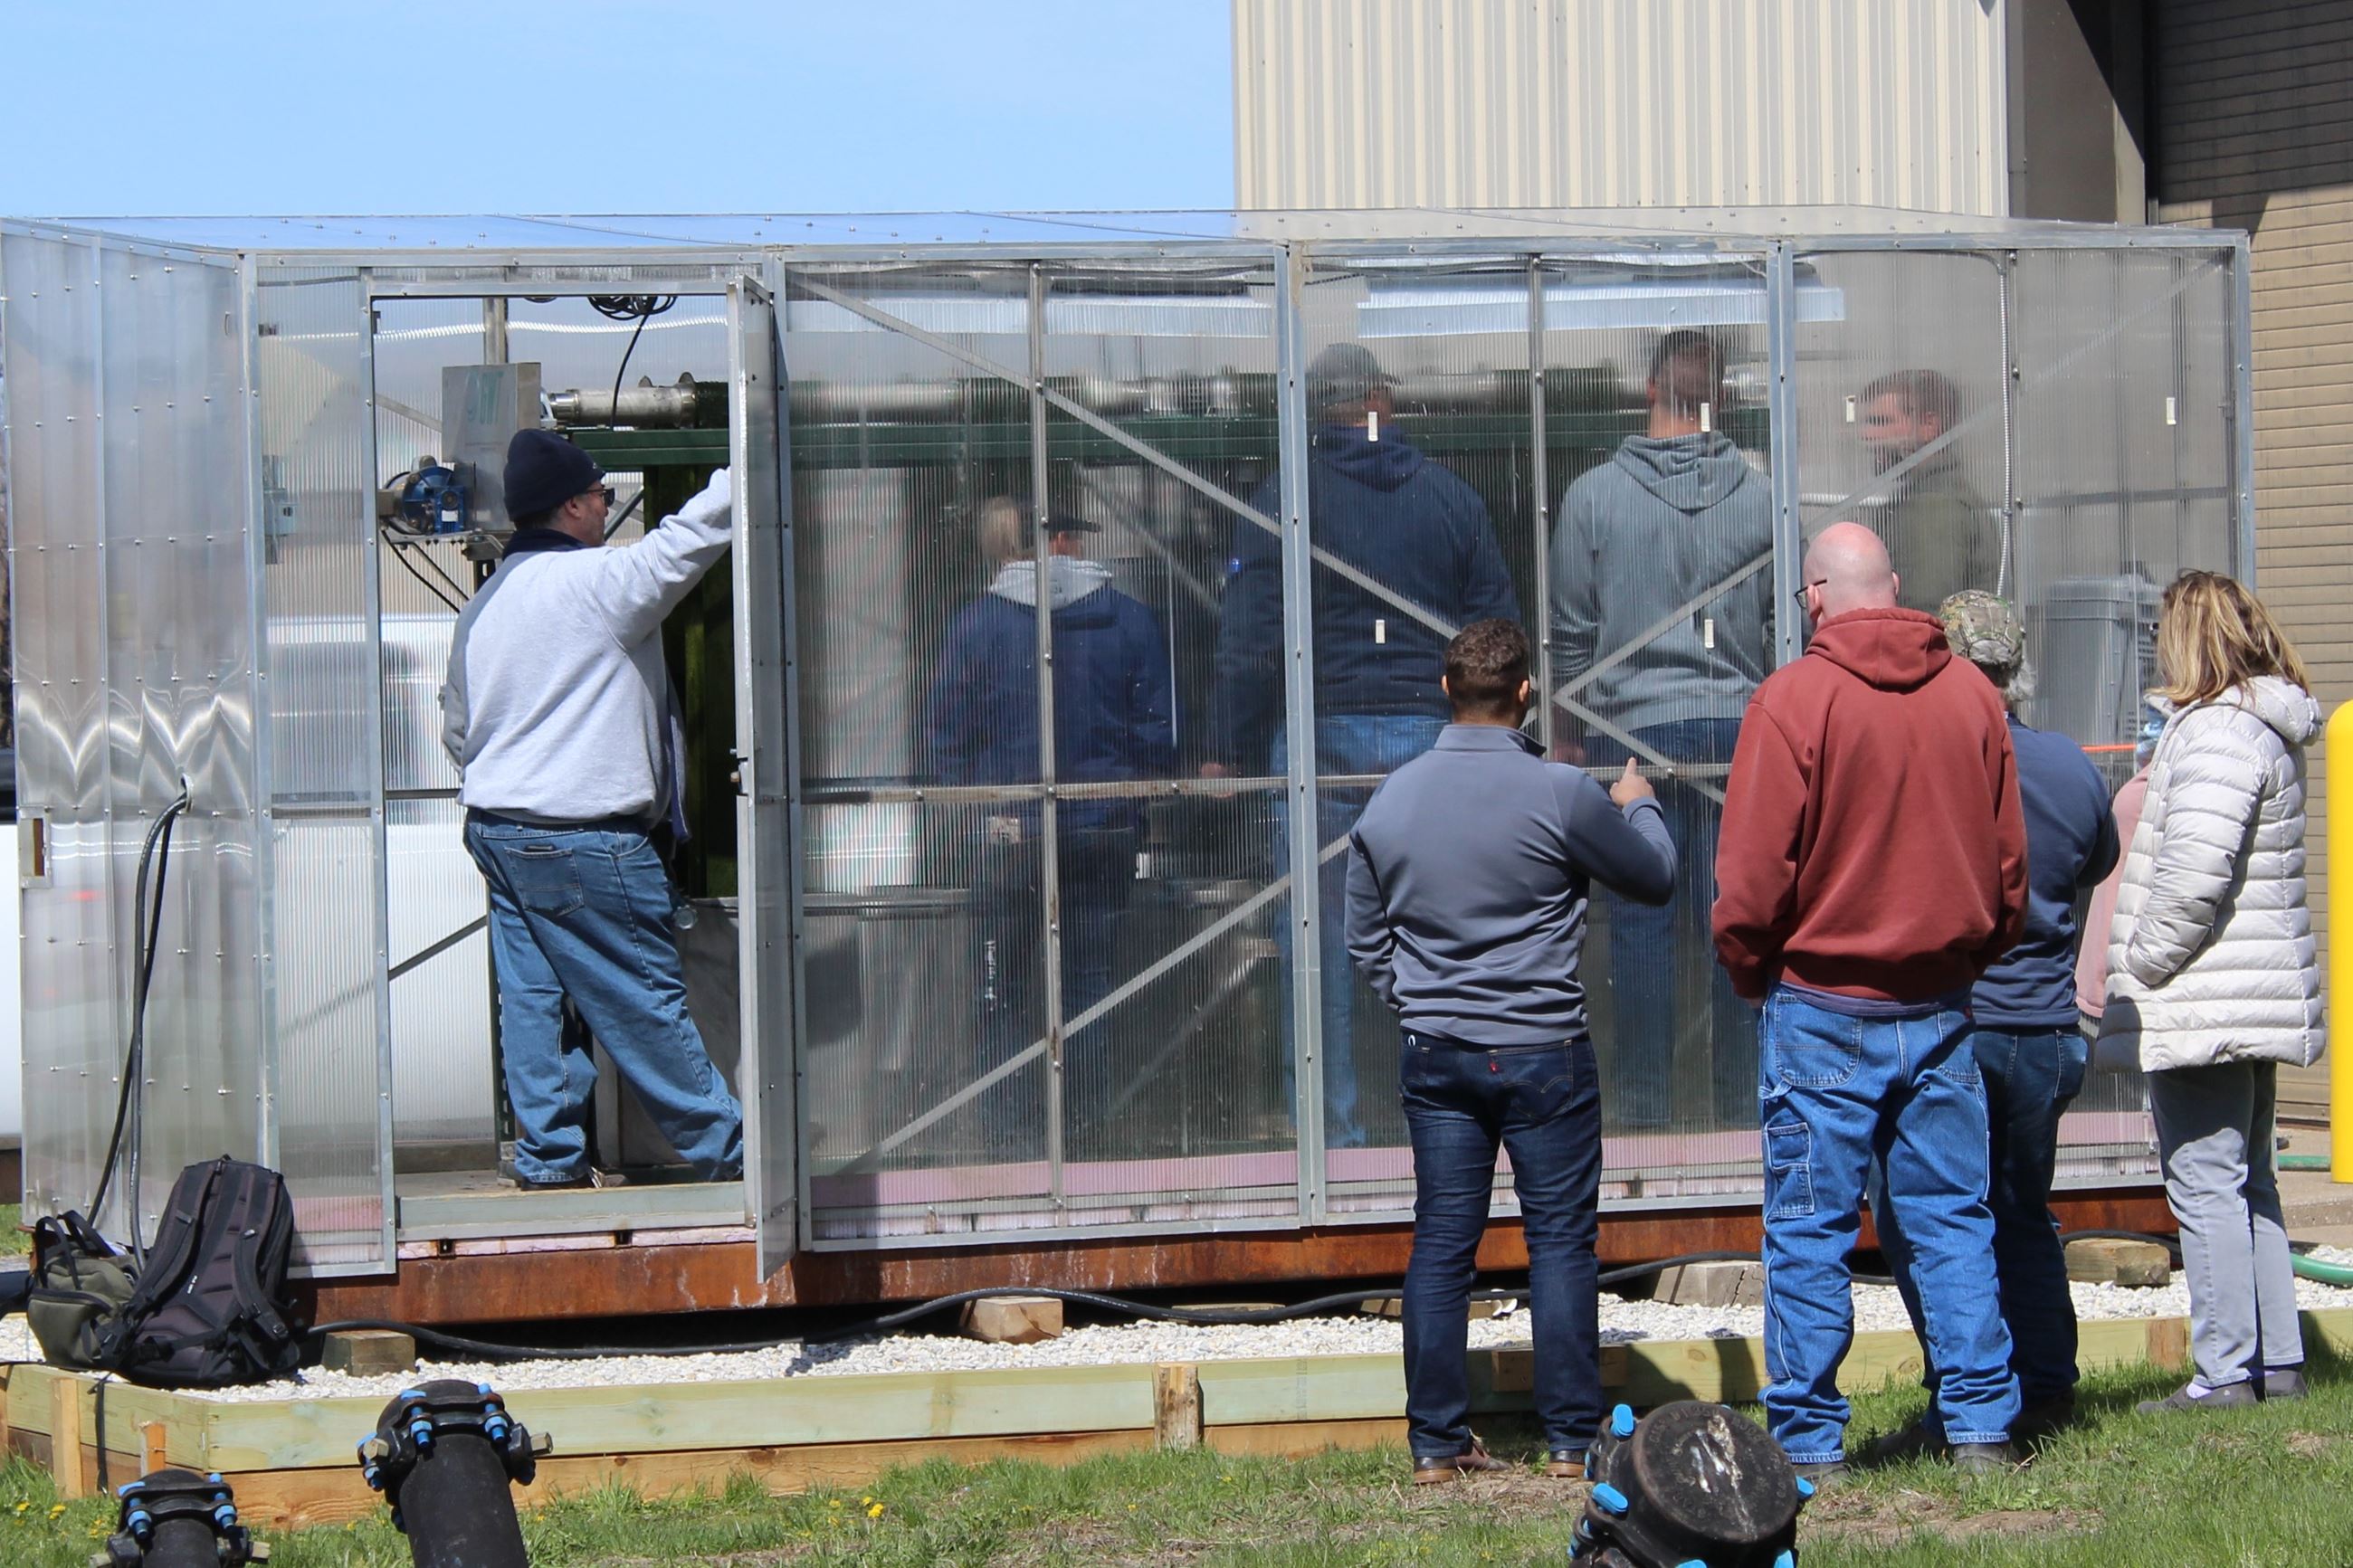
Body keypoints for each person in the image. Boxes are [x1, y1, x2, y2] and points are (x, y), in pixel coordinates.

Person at [1711, 522, 2028, 1480]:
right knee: (1951, 1218)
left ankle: (1807, 1441)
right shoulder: (1973, 695)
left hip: (1819, 999)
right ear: (1892, 588)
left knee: (1808, 1228)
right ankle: (1978, 1424)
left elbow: (1751, 877)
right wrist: (1970, 953)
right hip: (1937, 1003)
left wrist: (1747, 966)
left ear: (1812, 596)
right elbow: (2009, 864)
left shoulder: (1791, 699)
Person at [1345, 619, 1674, 1483]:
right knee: (1561, 1241)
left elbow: (1364, 935)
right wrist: (1638, 802)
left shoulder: (1392, 798)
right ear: (1526, 691)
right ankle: (1570, 1440)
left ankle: (1435, 1445)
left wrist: (1421, 1002)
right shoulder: (1564, 792)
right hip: (1543, 1050)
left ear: (1446, 689)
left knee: (1442, 1242)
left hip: (1439, 1051)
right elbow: (1655, 876)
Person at [1212, 342, 1520, 1147]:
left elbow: (1251, 632)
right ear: (1386, 398)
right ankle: (1447, 1124)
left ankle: (1331, 1130)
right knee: (1446, 933)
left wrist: (1222, 743)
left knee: (1313, 937)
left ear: (1318, 409)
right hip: (1430, 736)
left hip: (1321, 732)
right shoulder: (1452, 498)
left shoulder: (1287, 494)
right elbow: (1493, 625)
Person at [441, 430, 743, 1189]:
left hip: (500, 830)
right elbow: (691, 537)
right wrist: (754, 453)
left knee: (535, 1001)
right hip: (587, 840)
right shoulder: (601, 583)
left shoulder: (482, 607)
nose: (610, 504)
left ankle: (549, 1159)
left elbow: (457, 728)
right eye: (604, 493)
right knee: (643, 1001)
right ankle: (730, 1154)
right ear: (573, 504)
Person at [1869, 592, 2120, 1459]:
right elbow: (2097, 862)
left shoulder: (1939, 755)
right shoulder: (2071, 767)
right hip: (2050, 1029)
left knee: (1926, 1213)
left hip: (1962, 1023)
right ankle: (2046, 1384)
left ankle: (1966, 1391)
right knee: (2020, 1209)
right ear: (2020, 666)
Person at [2098, 570, 2322, 1415]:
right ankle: (2278, 1362)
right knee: (2247, 1179)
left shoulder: (2217, 732)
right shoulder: (2261, 726)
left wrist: (2139, 967)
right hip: (2250, 995)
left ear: (2188, 638)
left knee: (2204, 1182)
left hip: (2206, 1000)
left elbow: (2193, 881)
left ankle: (2225, 1369)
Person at [1550, 328, 1772, 1131]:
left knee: (1642, 926)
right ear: (1719, 395)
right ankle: (1741, 1110)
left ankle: (1645, 1109)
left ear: (1649, 388)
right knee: (1734, 918)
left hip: (1629, 733)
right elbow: (1787, 625)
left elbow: (1571, 630)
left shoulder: (1592, 495)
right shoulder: (1758, 495)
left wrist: (1569, 734)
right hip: (1739, 733)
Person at [923, 500, 1176, 1138]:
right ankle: (1087, 1131)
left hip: (1006, 834)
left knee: (1004, 987)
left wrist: (966, 812)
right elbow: (1156, 733)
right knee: (1090, 986)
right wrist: (1127, 799)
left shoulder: (978, 625)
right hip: (1101, 830)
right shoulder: (1130, 620)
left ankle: (1009, 1135)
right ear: (1060, 541)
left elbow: (945, 736)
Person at [1856, 370, 1999, 614]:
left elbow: (1922, 617)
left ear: (1929, 425)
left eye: (1882, 421)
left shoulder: (1932, 505)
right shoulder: (1935, 494)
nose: (1867, 435)